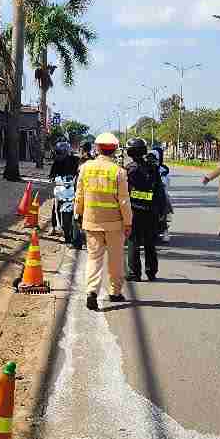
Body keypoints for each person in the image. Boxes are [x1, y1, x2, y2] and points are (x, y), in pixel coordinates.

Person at [74, 132, 132, 311]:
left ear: (97, 148)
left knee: (94, 258)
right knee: (116, 259)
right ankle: (115, 292)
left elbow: (79, 194)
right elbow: (124, 201)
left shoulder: (85, 168)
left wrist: (78, 214)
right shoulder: (118, 172)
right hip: (114, 224)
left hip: (91, 222)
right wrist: (128, 222)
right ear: (114, 150)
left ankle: (92, 291)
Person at [125, 138, 161, 281]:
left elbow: (124, 192)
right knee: (150, 242)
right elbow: (159, 191)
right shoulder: (153, 168)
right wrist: (160, 210)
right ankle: (151, 272)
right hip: (151, 210)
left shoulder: (128, 169)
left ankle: (134, 273)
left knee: (133, 241)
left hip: (134, 210)